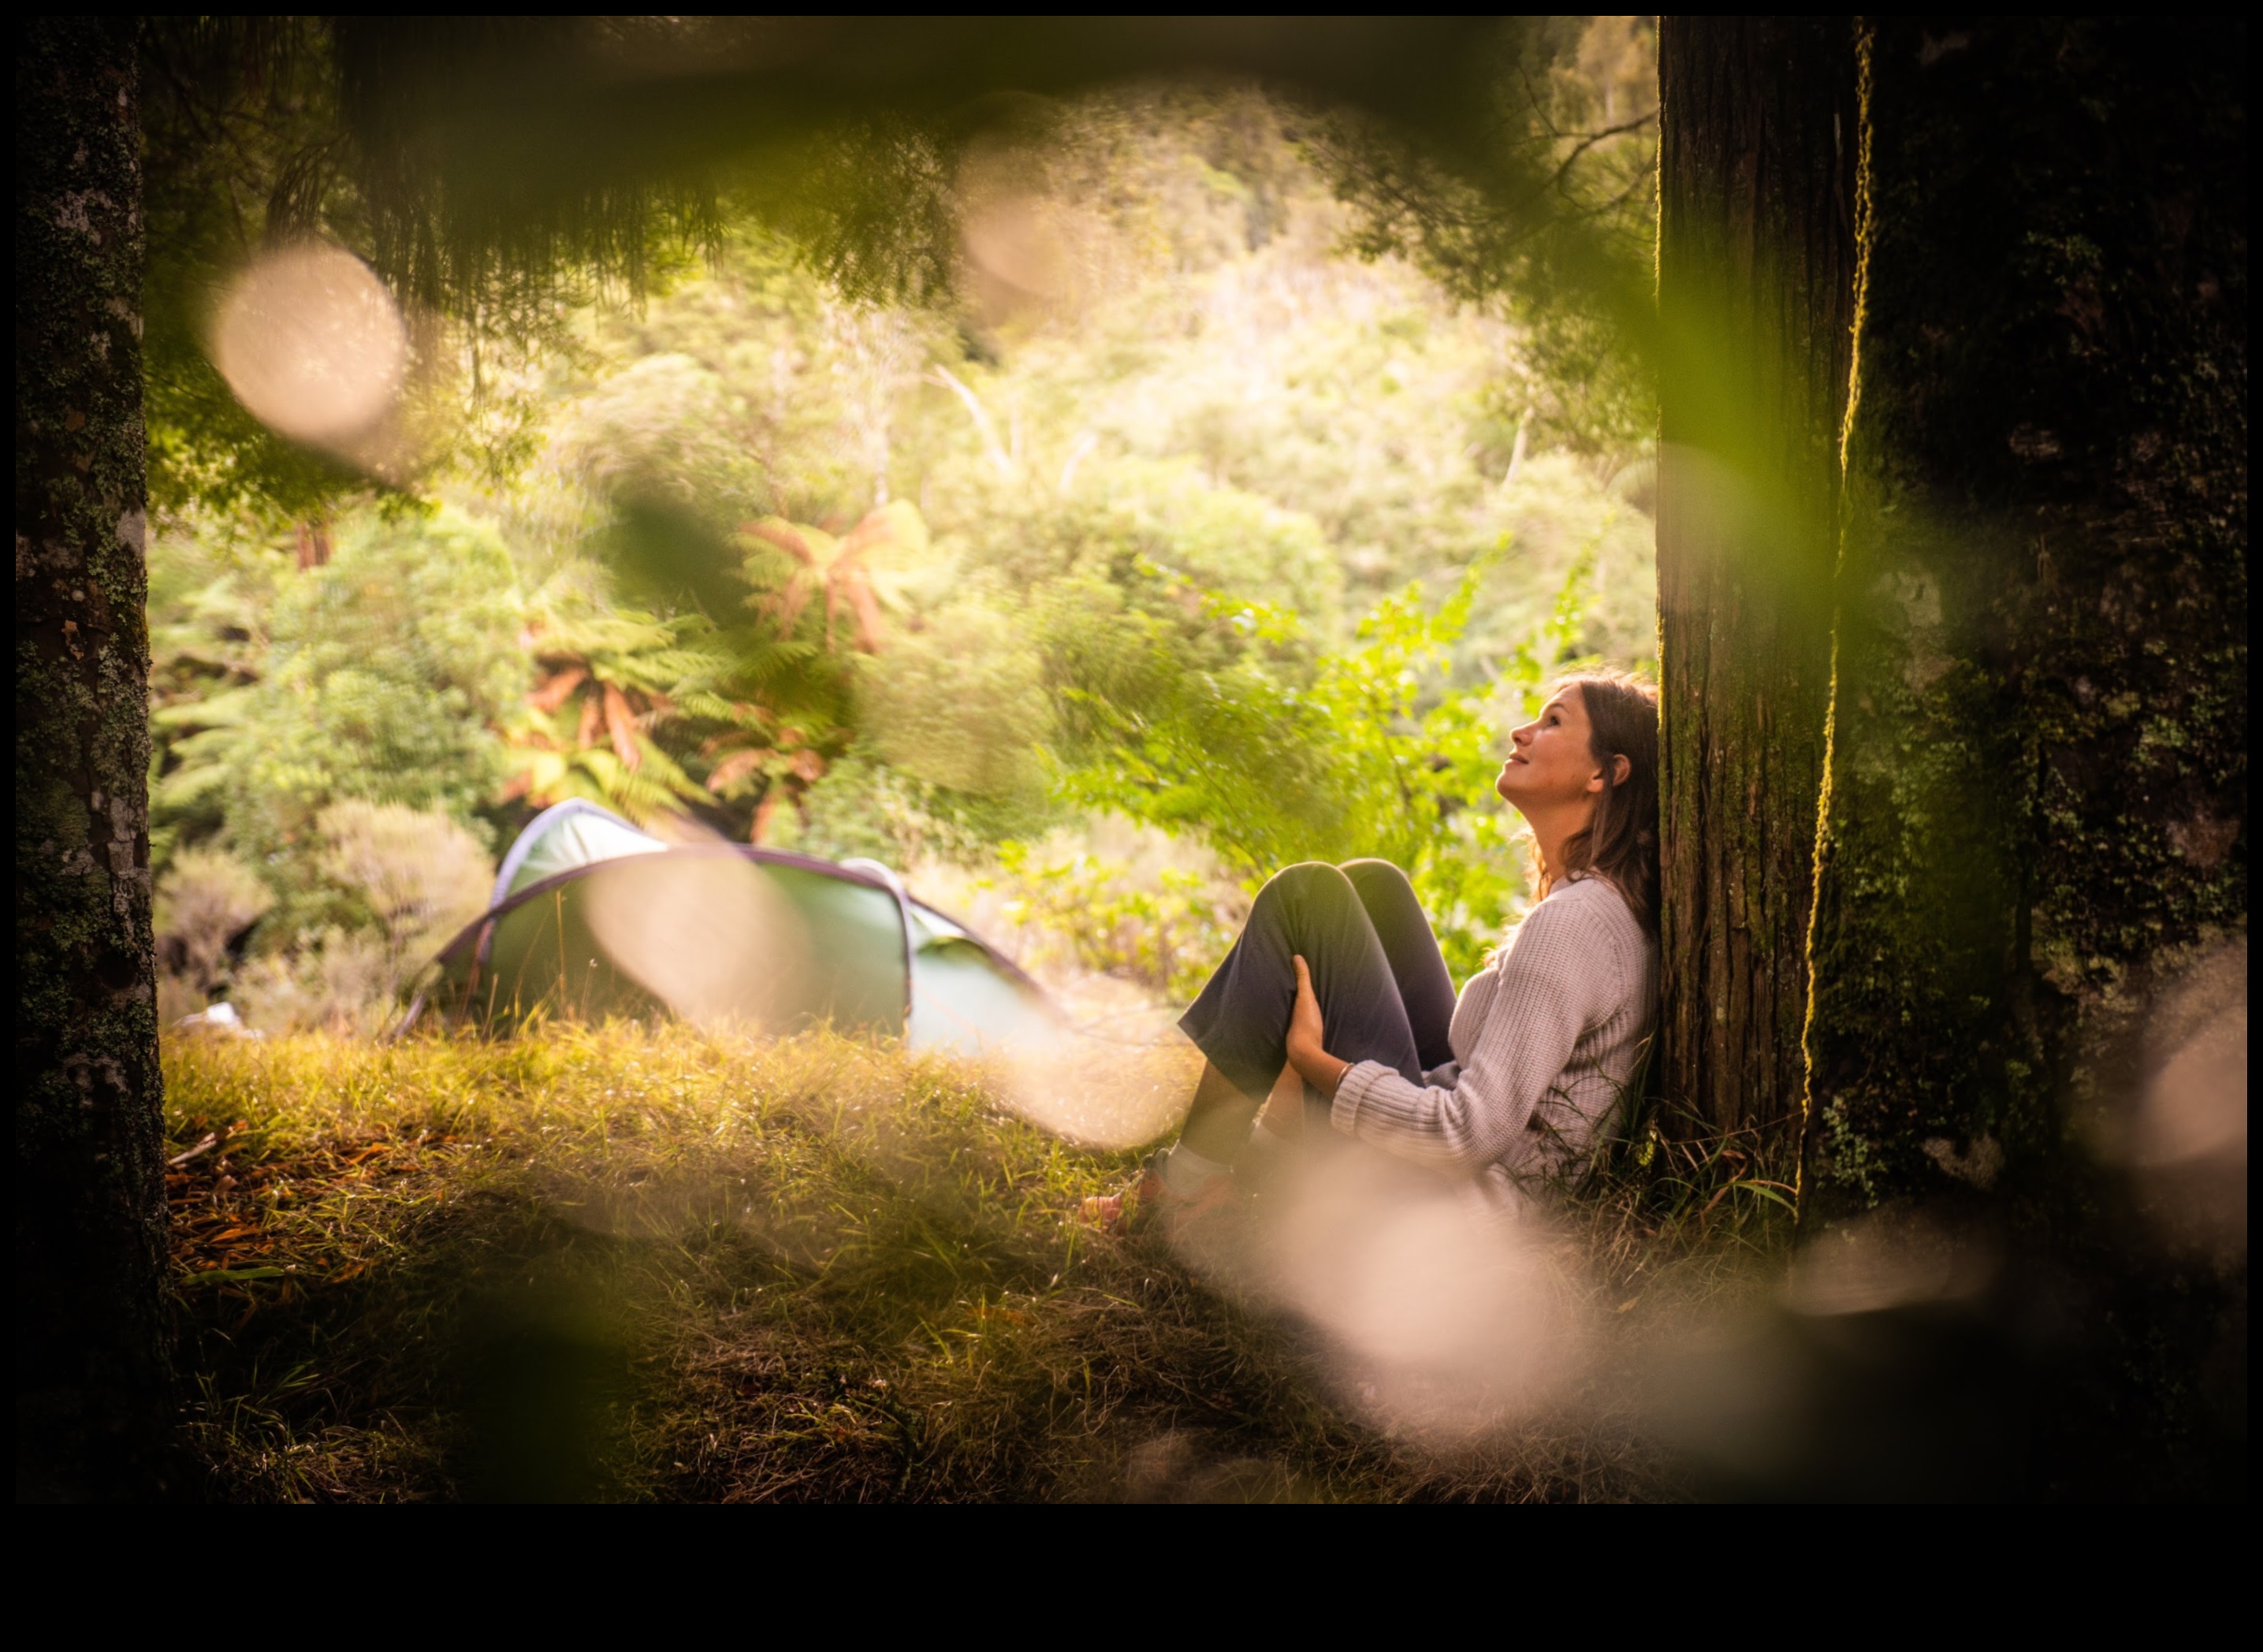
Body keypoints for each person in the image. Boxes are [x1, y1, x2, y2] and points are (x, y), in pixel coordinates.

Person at [1089, 671, 1660, 1233]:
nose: (1520, 731)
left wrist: (1316, 1062)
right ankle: (1248, 1172)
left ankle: (1184, 1187)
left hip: (1452, 1212)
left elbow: (1462, 1135)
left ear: (1604, 773)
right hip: (1474, 1167)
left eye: (1552, 721)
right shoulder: (1591, 905)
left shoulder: (1572, 925)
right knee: (1373, 886)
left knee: (1305, 897)